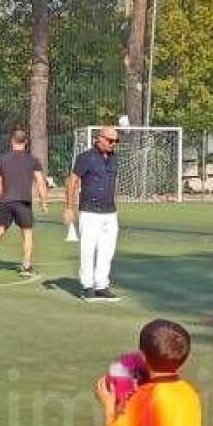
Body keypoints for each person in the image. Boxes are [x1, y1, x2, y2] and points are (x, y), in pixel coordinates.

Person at [0, 129, 48, 278]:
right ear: (26, 142)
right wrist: (43, 201)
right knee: (27, 233)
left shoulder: (3, 159)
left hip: (6, 200)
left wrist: (1, 197)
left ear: (12, 141)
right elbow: (40, 181)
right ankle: (26, 267)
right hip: (23, 201)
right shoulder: (32, 160)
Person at [67, 126, 123, 302]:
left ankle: (101, 286)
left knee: (107, 251)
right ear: (99, 138)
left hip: (110, 213)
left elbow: (113, 183)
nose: (113, 144)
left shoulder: (113, 159)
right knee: (88, 249)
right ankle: (86, 286)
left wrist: (115, 204)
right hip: (90, 212)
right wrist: (69, 207)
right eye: (110, 140)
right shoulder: (86, 158)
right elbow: (73, 181)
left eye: (115, 141)